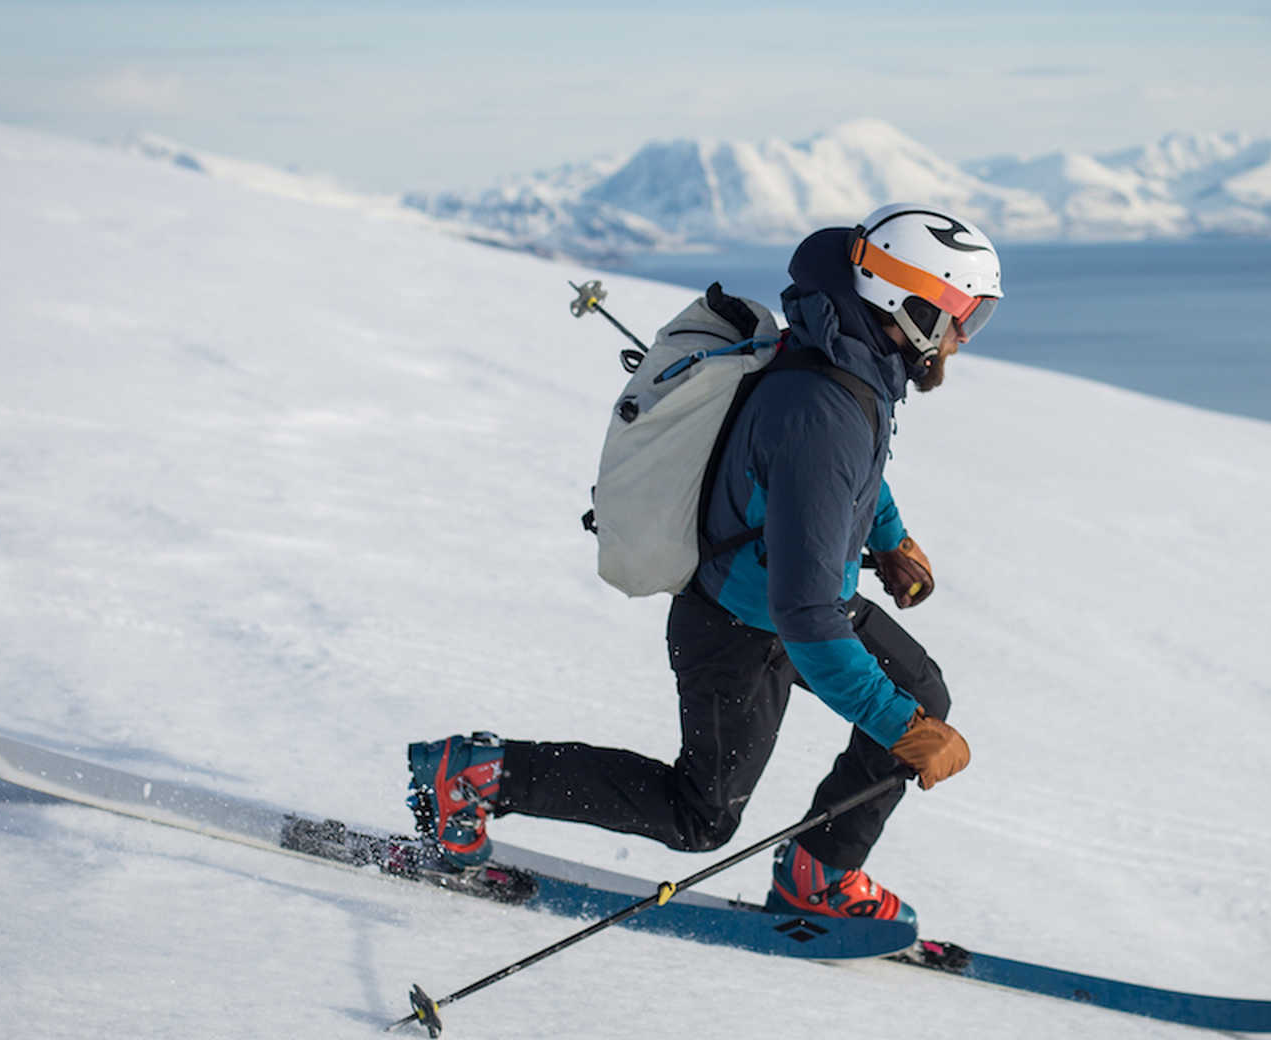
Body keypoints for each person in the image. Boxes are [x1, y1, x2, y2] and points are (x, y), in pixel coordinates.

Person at [407, 203, 1003, 923]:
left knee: (923, 696)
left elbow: (842, 481)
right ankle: (473, 776)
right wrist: (896, 728)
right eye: (963, 315)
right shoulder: (825, 408)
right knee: (701, 817)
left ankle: (819, 874)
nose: (964, 337)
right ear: (908, 305)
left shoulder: (843, 358)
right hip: (739, 626)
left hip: (795, 597)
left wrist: (889, 536)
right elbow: (806, 612)